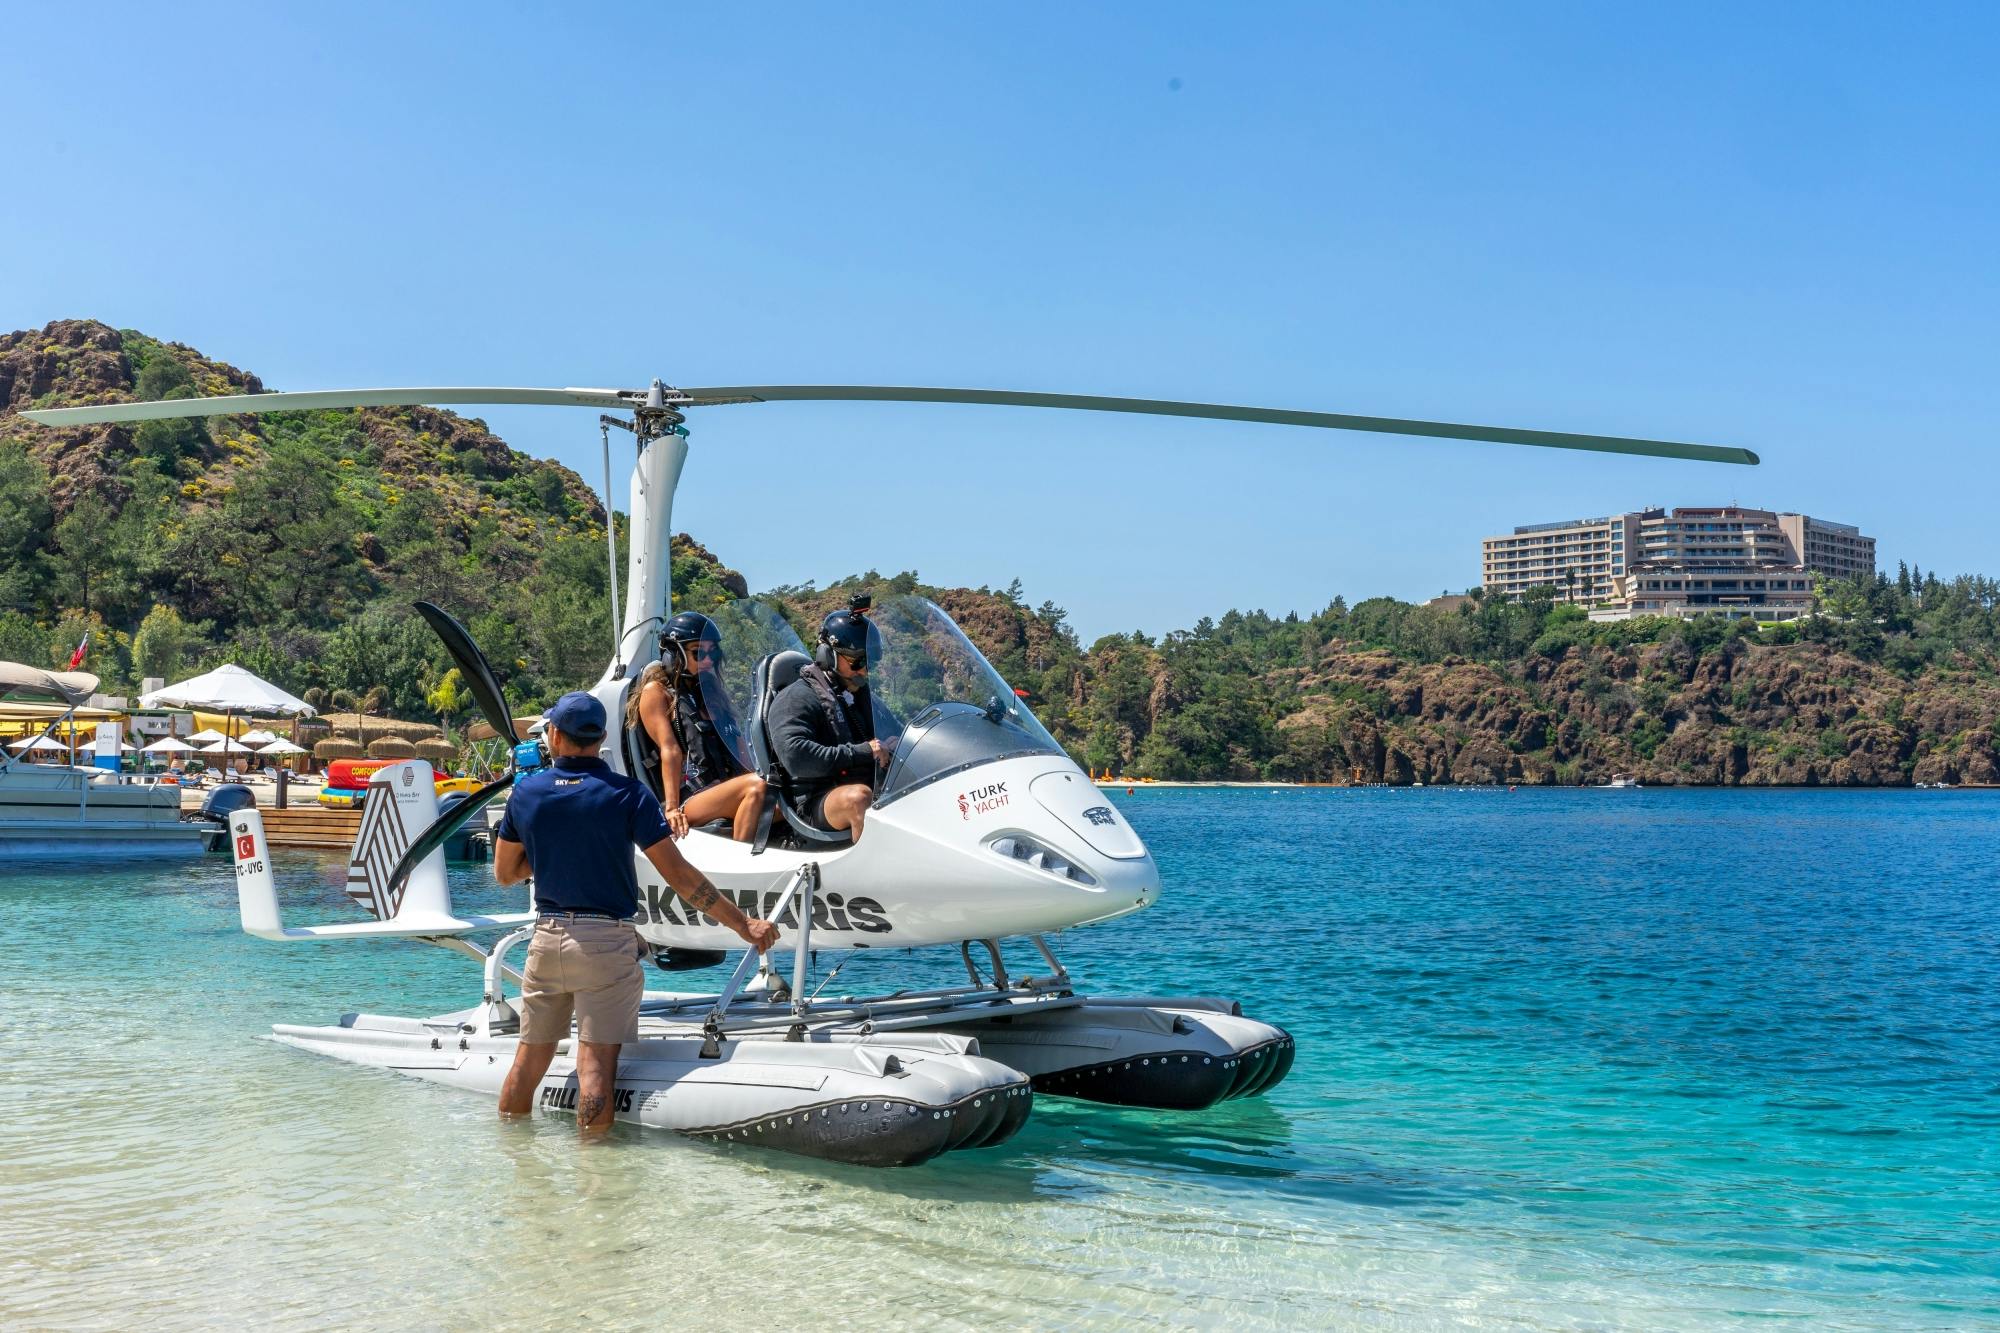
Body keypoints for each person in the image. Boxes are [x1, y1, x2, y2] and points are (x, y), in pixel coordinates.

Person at [492, 691, 779, 1133]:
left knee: (528, 1062)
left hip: (546, 940)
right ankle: (598, 1182)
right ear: (601, 738)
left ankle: (514, 1165)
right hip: (605, 945)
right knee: (594, 1071)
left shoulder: (527, 793)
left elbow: (506, 873)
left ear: (554, 735)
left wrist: (554, 850)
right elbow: (680, 877)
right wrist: (744, 924)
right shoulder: (628, 795)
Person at [630, 612, 767, 842]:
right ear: (673, 655)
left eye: (713, 652)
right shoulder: (656, 692)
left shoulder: (710, 690)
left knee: (782, 793)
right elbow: (670, 750)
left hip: (726, 787)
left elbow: (738, 742)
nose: (708, 659)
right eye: (698, 652)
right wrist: (672, 808)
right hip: (692, 796)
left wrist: (761, 772)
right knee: (757, 788)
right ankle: (738, 866)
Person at [767, 606, 894, 840]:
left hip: (871, 784)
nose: (866, 670)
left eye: (871, 661)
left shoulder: (860, 694)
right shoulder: (795, 698)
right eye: (857, 661)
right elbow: (796, 757)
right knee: (858, 798)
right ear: (828, 655)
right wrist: (864, 752)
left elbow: (895, 733)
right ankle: (869, 874)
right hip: (818, 800)